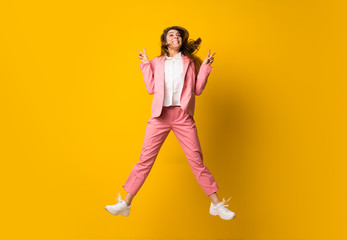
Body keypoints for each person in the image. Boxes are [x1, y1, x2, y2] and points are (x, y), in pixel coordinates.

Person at [105, 26, 236, 220]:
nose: (176, 37)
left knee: (196, 162)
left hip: (183, 116)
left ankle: (217, 205)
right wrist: (144, 65)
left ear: (182, 41)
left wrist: (206, 67)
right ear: (165, 41)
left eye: (179, 35)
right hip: (160, 117)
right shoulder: (156, 63)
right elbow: (151, 88)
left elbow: (198, 90)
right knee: (145, 161)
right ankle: (125, 204)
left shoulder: (189, 62)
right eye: (171, 35)